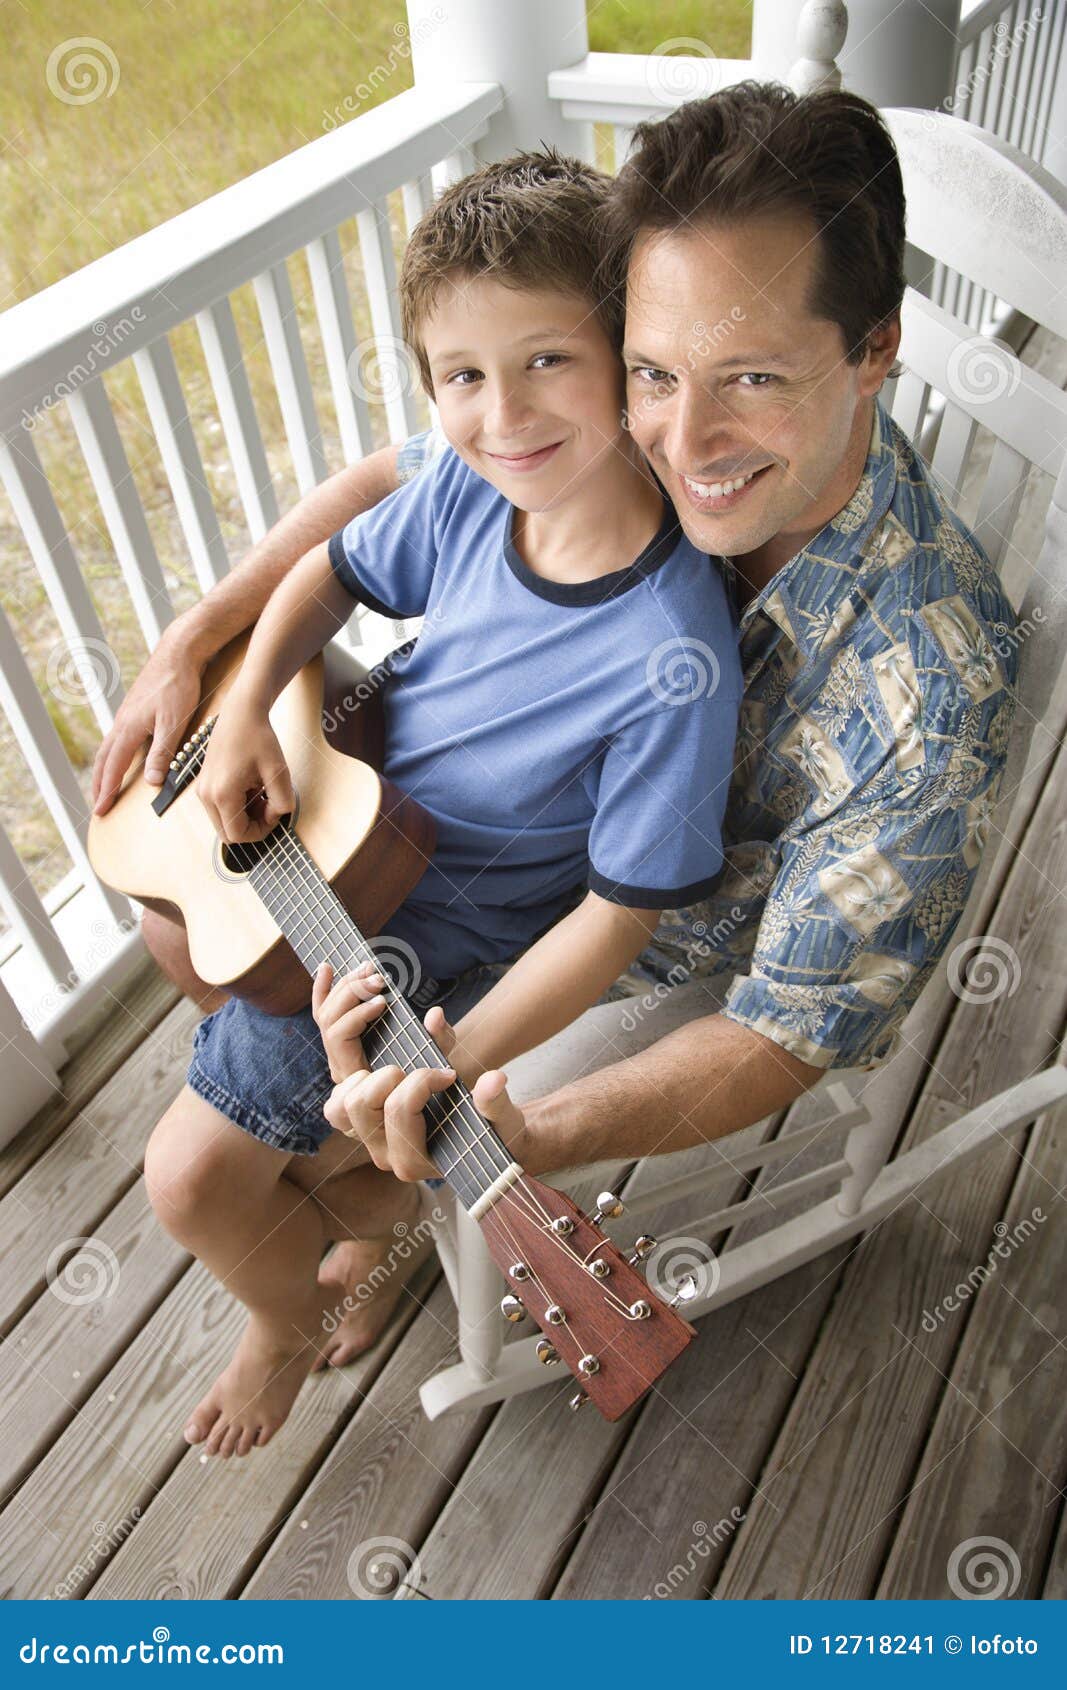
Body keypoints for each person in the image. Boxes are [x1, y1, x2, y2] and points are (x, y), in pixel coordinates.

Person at [93, 83, 1017, 1449]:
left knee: (234, 1138)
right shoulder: (589, 442)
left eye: (753, 377)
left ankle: (341, 1214)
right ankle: (347, 1199)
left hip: (591, 941)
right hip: (404, 841)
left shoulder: (930, 698)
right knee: (231, 999)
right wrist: (201, 641)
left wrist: (521, 1126)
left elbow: (785, 1029)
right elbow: (397, 484)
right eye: (651, 371)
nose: (684, 442)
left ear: (874, 348)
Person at [134, 150, 742, 1458]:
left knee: (187, 1176)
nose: (502, 413)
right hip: (342, 823)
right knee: (182, 938)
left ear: (634, 357)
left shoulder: (673, 649)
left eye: (546, 362)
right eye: (462, 376)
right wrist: (246, 708)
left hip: (422, 936)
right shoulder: (472, 493)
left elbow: (619, 917)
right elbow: (328, 576)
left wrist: (450, 1059)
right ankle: (359, 1212)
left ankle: (284, 1316)